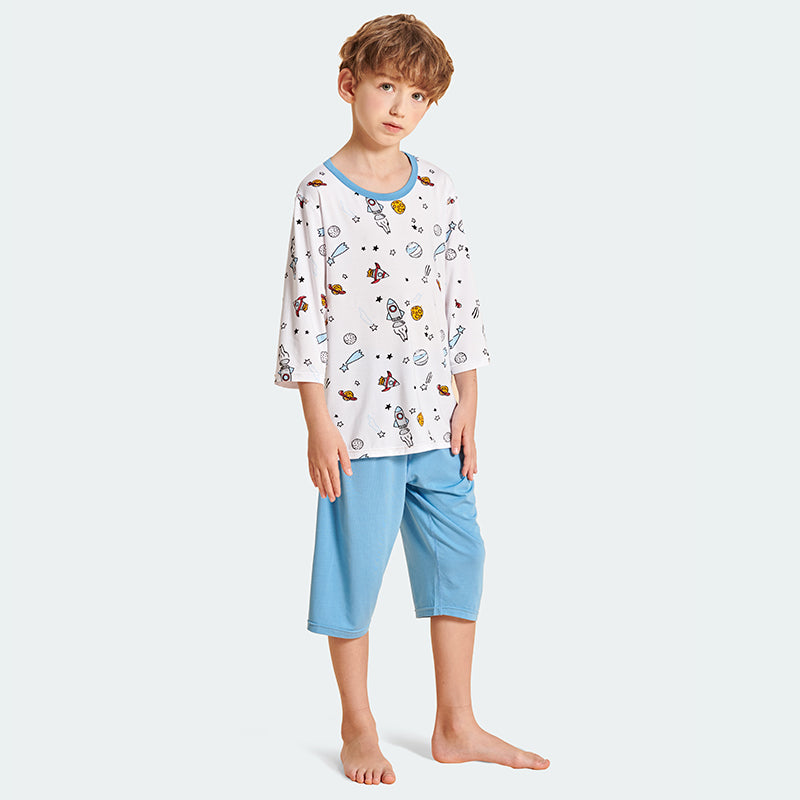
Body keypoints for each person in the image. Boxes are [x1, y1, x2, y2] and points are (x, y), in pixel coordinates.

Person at [273, 13, 550, 785]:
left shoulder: (438, 189)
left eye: (418, 95)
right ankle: (357, 724)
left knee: (462, 557)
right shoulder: (318, 195)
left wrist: (470, 400)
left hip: (436, 420)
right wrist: (316, 423)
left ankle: (456, 724)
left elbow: (461, 297)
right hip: (357, 428)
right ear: (349, 84)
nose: (401, 106)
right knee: (354, 574)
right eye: (387, 85)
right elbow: (303, 315)